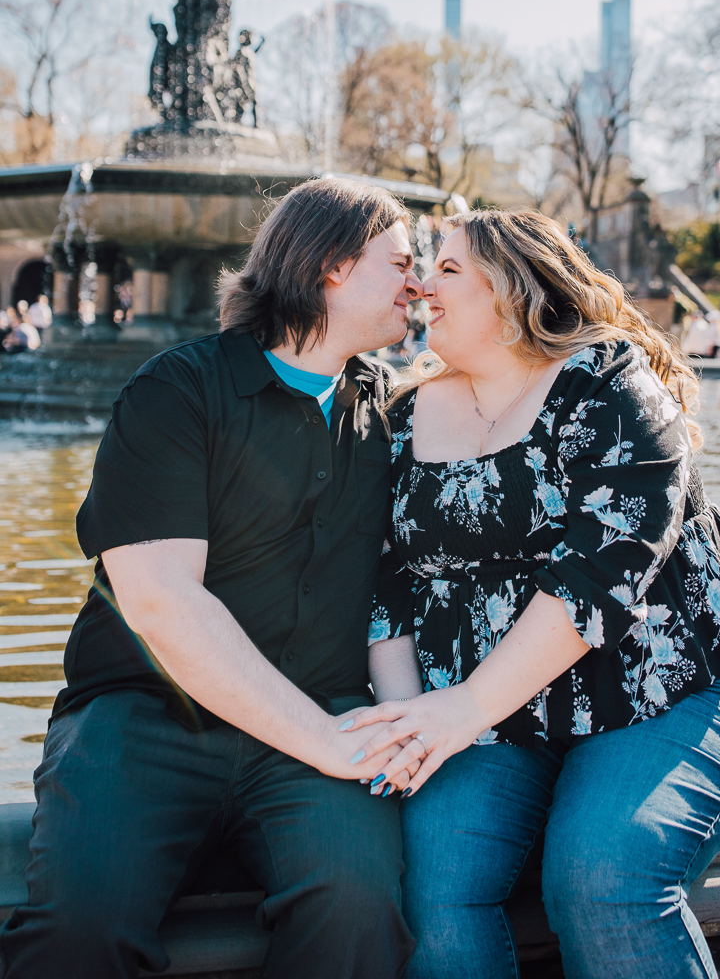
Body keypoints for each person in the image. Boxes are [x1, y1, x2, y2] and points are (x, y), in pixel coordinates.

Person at [0, 178, 422, 979]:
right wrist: (328, 746)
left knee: (358, 913)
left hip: (320, 718)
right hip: (148, 716)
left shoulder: (395, 416)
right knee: (77, 934)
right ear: (333, 264)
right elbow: (161, 603)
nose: (418, 281)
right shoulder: (176, 392)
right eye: (400, 262)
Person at [346, 209, 720, 979]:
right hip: (491, 716)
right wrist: (407, 725)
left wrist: (459, 711)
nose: (421, 287)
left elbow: (597, 579)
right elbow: (385, 590)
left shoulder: (608, 383)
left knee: (602, 878)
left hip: (667, 694)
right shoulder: (402, 416)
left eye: (447, 270)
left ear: (516, 289)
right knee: (426, 890)